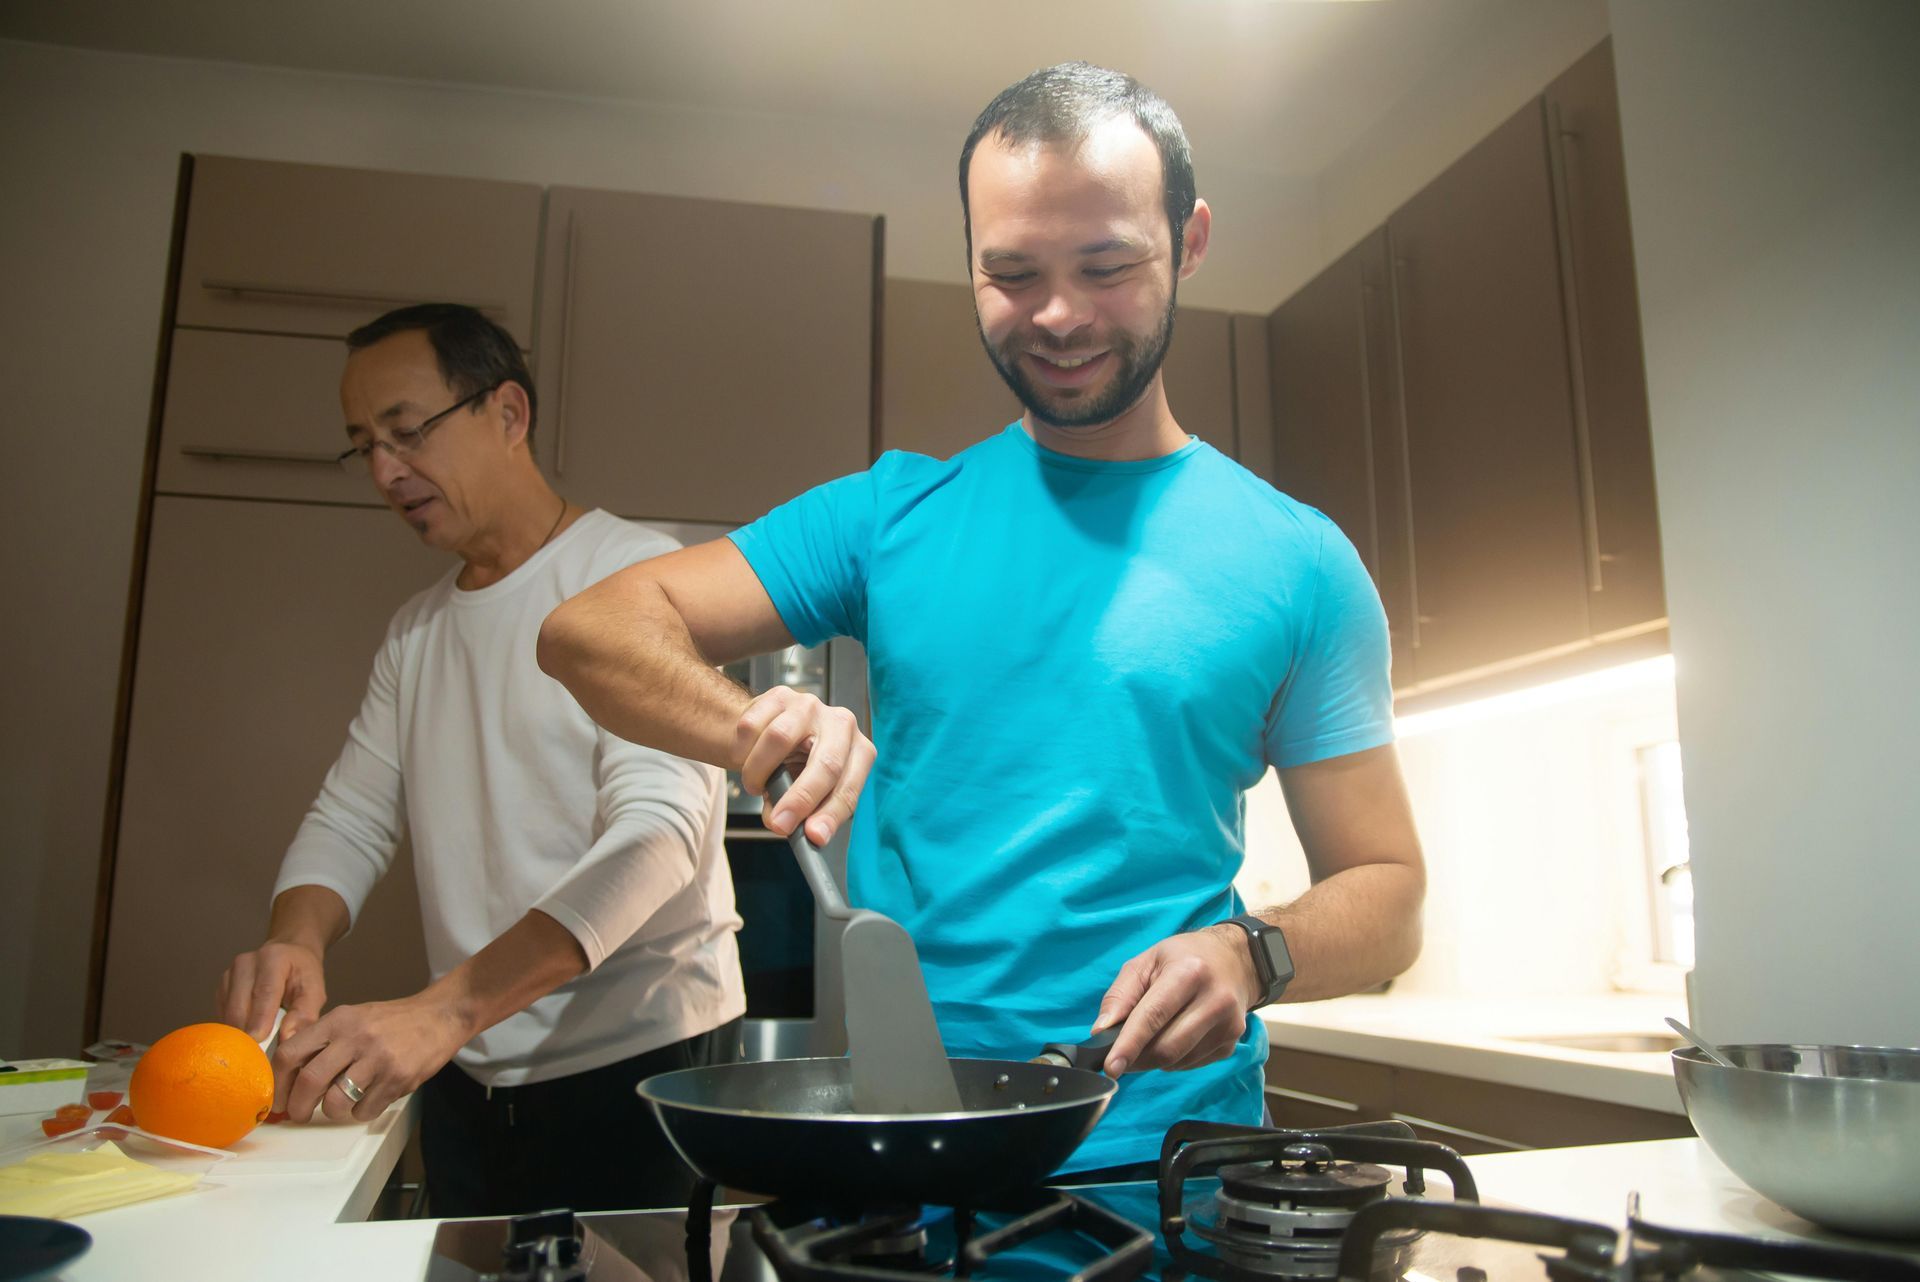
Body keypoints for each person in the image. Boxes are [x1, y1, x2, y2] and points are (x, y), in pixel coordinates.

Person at [537, 63, 1424, 1176]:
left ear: (1188, 241)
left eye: (1107, 267)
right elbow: (587, 631)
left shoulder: (1300, 562)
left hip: (1173, 1166)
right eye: (1011, 273)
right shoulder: (890, 517)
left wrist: (1255, 953)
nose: (1057, 316)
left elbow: (1389, 896)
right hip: (913, 1149)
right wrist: (749, 730)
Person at [218, 303, 744, 1213]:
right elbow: (351, 816)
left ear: (508, 413)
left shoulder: (635, 578)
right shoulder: (418, 631)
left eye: (406, 431)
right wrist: (293, 938)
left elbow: (660, 833)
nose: (386, 471)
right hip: (468, 1067)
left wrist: (443, 1009)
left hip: (644, 1067)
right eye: (363, 446)